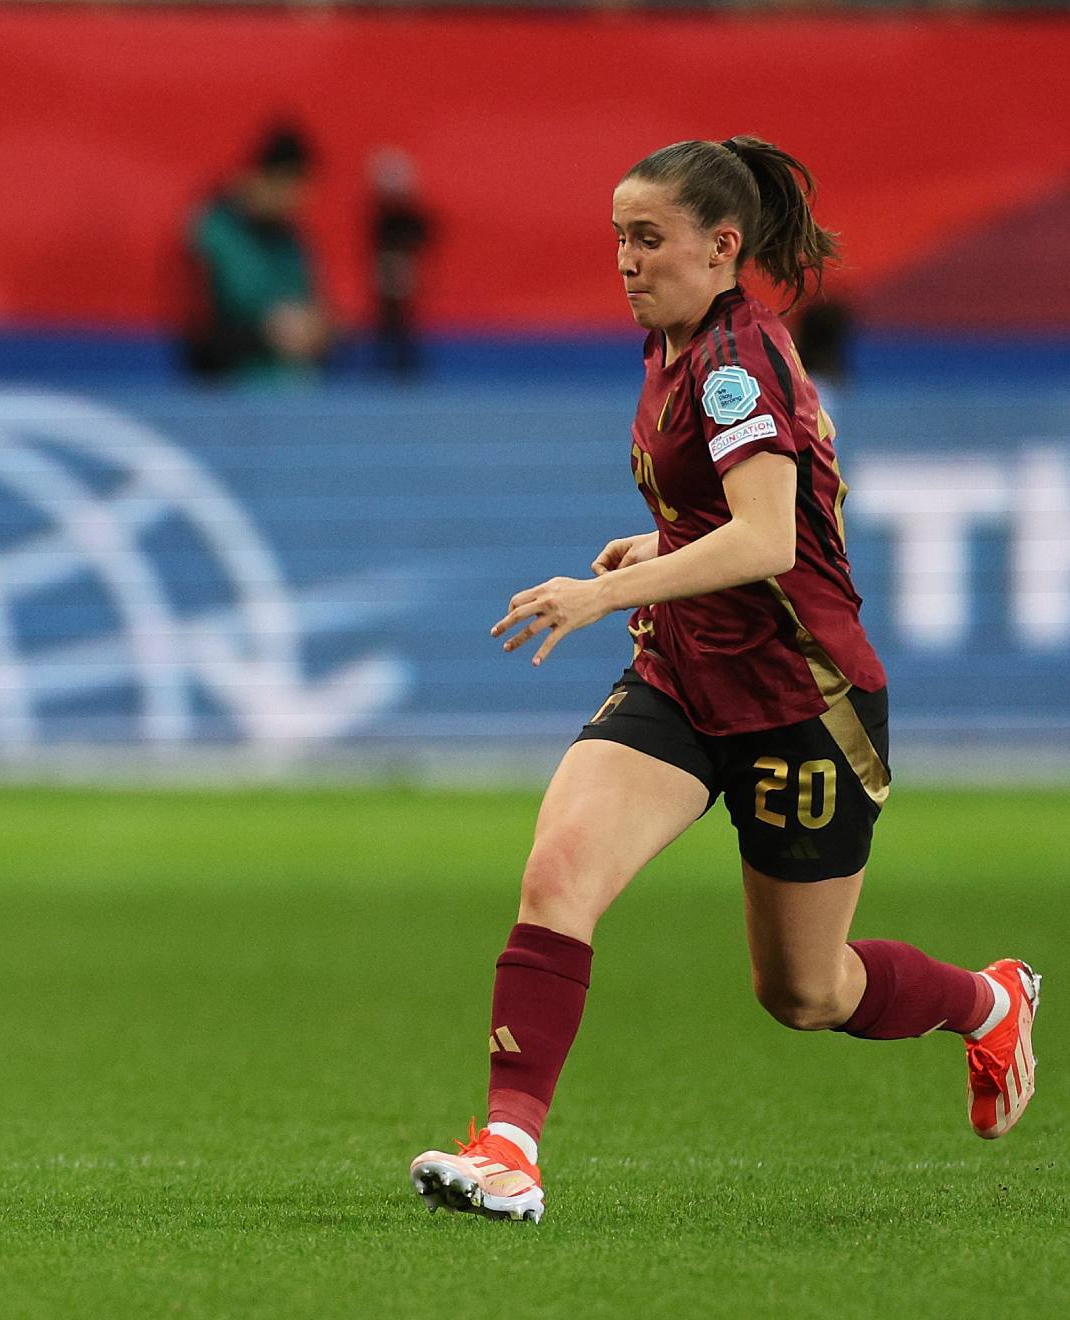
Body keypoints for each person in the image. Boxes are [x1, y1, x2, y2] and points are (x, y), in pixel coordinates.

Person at [409, 136, 1040, 1224]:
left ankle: (987, 1003)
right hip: (684, 676)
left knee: (805, 991)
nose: (626, 260)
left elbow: (769, 541)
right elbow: (729, 526)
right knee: (559, 875)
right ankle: (510, 1146)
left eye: (648, 239)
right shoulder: (675, 342)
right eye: (618, 238)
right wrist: (655, 556)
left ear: (722, 246)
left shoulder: (738, 360)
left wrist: (602, 592)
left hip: (805, 708)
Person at [180, 122, 331, 384]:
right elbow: (200, 334)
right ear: (265, 178)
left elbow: (311, 303)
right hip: (230, 394)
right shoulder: (211, 231)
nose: (296, 203)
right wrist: (266, 334)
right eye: (291, 189)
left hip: (295, 394)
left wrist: (322, 328)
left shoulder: (289, 239)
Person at [368, 147, 434, 376]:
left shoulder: (408, 217)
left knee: (403, 319)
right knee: (388, 319)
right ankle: (386, 364)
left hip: (401, 270)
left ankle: (406, 363)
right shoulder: (379, 216)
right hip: (388, 269)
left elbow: (424, 238)